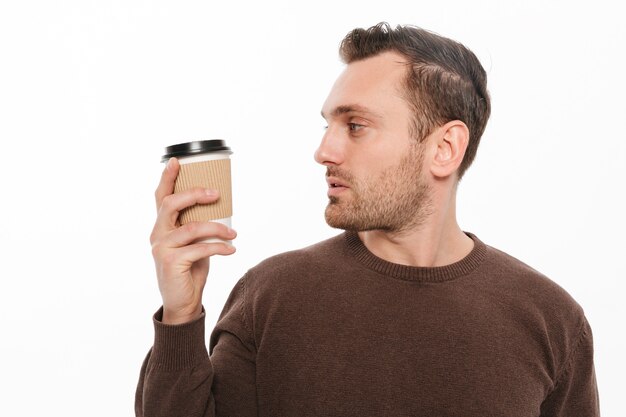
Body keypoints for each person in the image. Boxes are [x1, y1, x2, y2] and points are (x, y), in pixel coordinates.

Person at [136, 22, 599, 416]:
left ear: (444, 148)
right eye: (328, 126)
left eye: (355, 126)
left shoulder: (551, 320)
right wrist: (180, 316)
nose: (324, 152)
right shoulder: (271, 296)